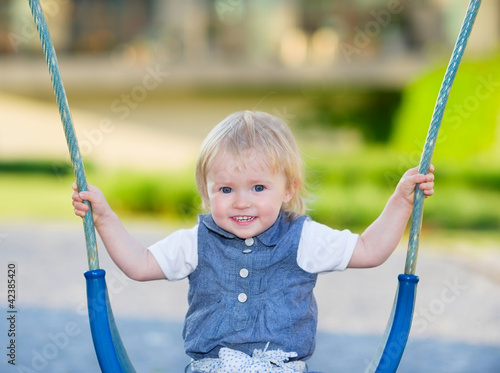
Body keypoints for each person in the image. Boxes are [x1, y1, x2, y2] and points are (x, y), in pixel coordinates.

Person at [72, 110, 435, 373]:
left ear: (288, 188)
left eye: (258, 188)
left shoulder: (303, 237)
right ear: (206, 191)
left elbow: (370, 251)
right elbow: (139, 264)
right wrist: (105, 218)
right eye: (226, 189)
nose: (241, 201)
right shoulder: (196, 242)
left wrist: (401, 201)